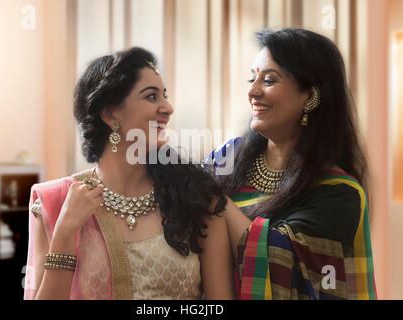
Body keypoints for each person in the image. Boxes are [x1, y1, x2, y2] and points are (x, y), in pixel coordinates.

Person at [24, 47, 235, 300]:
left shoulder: (195, 198)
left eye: (164, 96)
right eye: (151, 97)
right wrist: (65, 232)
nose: (168, 108)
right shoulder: (56, 203)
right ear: (110, 113)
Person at [203, 28, 377, 300]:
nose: (252, 91)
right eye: (252, 78)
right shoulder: (225, 160)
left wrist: (215, 199)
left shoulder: (338, 193)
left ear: (309, 97)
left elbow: (276, 259)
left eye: (269, 80)